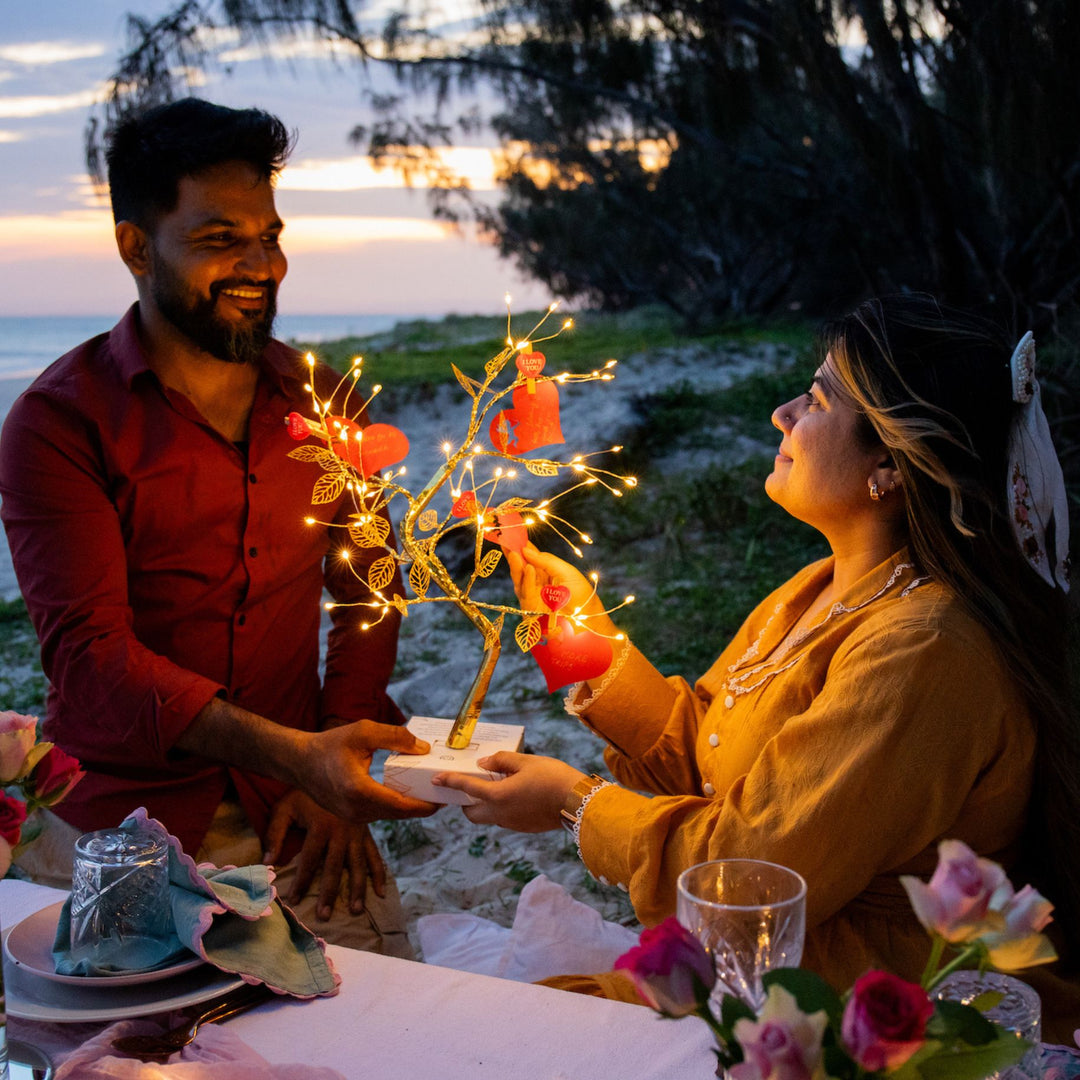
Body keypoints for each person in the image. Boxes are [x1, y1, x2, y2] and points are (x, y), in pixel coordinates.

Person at [433, 295, 1080, 1036]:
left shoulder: (925, 649)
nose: (783, 411)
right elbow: (713, 772)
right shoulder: (819, 588)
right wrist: (577, 633)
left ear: (892, 464)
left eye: (817, 399)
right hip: (768, 968)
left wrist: (574, 806)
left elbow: (744, 877)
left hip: (869, 1009)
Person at [0, 98, 436, 957]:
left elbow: (369, 590)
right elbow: (91, 659)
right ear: (135, 247)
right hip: (121, 816)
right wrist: (298, 753)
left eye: (269, 237)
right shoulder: (57, 426)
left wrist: (328, 767)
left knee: (380, 1026)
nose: (260, 265)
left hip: (301, 816)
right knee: (129, 1048)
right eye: (217, 240)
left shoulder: (322, 400)